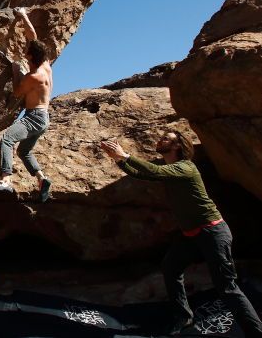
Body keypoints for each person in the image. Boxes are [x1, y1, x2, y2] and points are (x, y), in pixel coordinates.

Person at [100, 132, 262, 337]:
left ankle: (255, 332)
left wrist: (125, 155)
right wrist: (119, 160)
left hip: (212, 232)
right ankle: (183, 316)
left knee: (227, 288)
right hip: (191, 235)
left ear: (178, 146)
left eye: (166, 138)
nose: (160, 139)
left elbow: (155, 170)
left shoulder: (186, 167)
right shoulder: (170, 170)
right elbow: (146, 174)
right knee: (171, 267)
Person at [0, 7, 53, 203]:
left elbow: (17, 91)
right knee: (24, 151)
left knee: (6, 139)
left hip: (34, 117)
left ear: (31, 57)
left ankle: (6, 179)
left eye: (26, 51)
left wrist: (16, 70)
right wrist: (23, 15)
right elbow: (32, 36)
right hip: (43, 118)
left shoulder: (34, 76)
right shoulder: (45, 65)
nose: (24, 51)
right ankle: (42, 179)